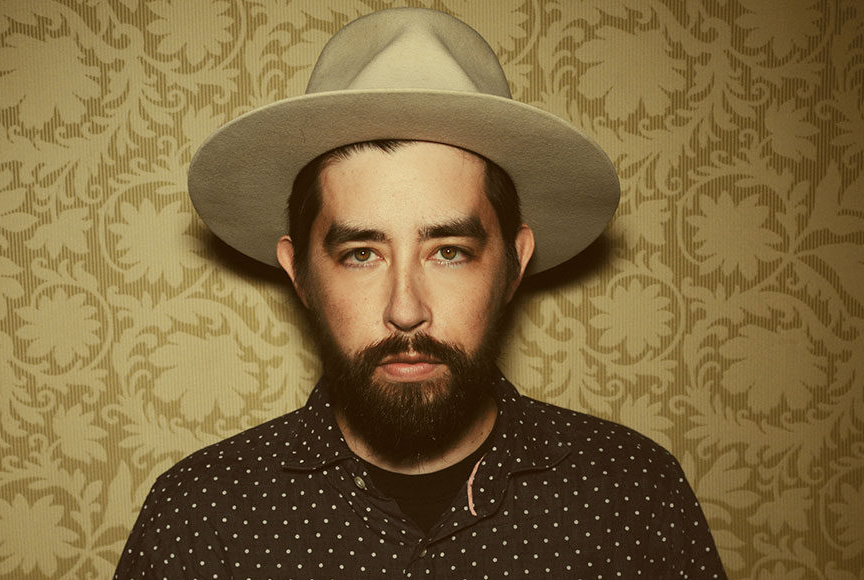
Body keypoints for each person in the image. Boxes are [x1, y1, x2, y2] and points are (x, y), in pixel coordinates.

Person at [115, 8, 726, 579]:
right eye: (361, 254)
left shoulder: (634, 496)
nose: (406, 308)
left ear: (514, 266)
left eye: (449, 252)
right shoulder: (199, 518)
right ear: (299, 273)